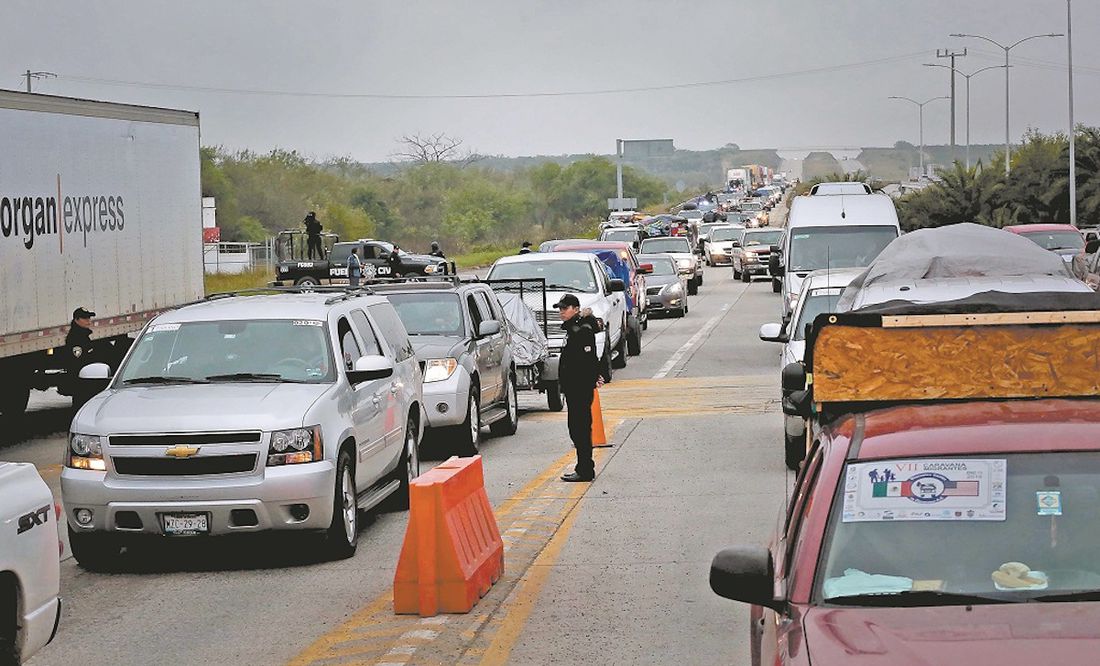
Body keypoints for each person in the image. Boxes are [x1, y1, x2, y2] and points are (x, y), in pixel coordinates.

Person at [556, 294, 603, 482]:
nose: (561, 312)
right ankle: (582, 467)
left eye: (565, 308)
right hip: (573, 389)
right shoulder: (573, 329)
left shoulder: (581, 330)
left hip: (580, 389)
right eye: (560, 308)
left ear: (575, 309)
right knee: (576, 429)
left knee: (580, 430)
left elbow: (588, 361)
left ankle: (585, 469)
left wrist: (592, 379)